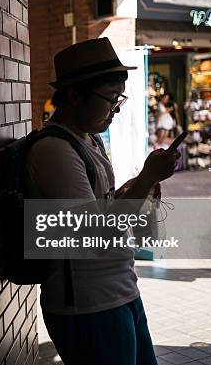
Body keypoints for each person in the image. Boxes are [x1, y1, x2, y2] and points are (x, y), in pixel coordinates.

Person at [25, 38, 179, 365]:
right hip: (88, 306)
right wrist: (148, 178)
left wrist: (138, 185)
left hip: (120, 290)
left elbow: (102, 208)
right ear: (73, 94)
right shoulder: (55, 150)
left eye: (118, 98)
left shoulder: (89, 139)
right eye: (109, 99)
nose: (116, 108)